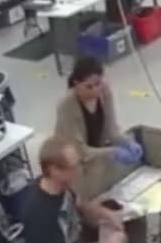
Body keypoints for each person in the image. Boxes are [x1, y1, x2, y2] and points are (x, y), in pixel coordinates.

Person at [21, 136, 127, 243]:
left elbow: (79, 204)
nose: (80, 170)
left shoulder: (59, 186)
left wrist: (109, 215)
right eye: (74, 166)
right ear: (55, 170)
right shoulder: (38, 216)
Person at [55, 56, 131, 198]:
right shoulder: (67, 107)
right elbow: (80, 152)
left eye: (98, 84)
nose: (95, 90)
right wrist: (112, 151)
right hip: (74, 165)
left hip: (96, 155)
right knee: (85, 200)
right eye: (89, 86)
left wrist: (127, 142)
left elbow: (111, 129)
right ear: (76, 84)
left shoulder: (104, 91)